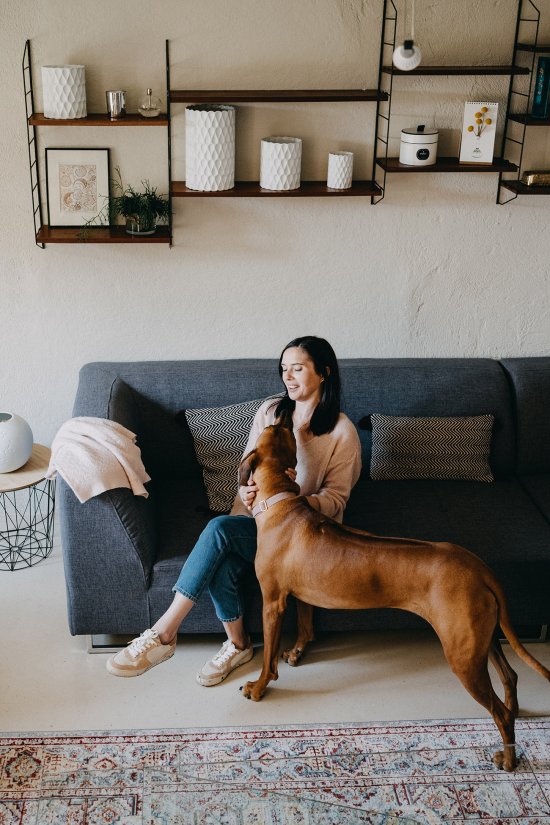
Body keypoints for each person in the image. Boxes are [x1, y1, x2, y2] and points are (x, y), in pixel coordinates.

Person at [107, 335, 362, 684]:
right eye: (284, 369)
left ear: (324, 373)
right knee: (222, 551)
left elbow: (337, 499)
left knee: (218, 531)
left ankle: (165, 633)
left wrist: (298, 496)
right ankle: (238, 644)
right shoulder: (271, 411)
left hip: (303, 537)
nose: (288, 377)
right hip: (259, 523)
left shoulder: (342, 431)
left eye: (298, 369)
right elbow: (247, 468)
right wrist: (246, 490)